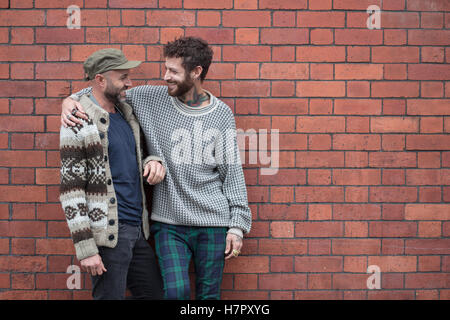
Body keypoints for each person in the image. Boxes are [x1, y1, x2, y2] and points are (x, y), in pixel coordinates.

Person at [61, 37, 252, 300]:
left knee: (208, 296)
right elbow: (100, 91)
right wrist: (69, 100)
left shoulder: (221, 114)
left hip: (212, 221)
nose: (165, 77)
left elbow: (232, 174)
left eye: (173, 71)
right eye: (165, 69)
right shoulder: (150, 98)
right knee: (175, 292)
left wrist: (237, 226)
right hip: (167, 223)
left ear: (196, 72)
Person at [59, 48, 165, 300]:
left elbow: (135, 156)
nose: (129, 82)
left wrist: (152, 161)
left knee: (154, 294)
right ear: (100, 80)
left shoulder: (126, 114)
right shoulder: (79, 120)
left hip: (137, 230)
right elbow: (71, 191)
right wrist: (86, 249)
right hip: (107, 235)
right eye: (123, 77)